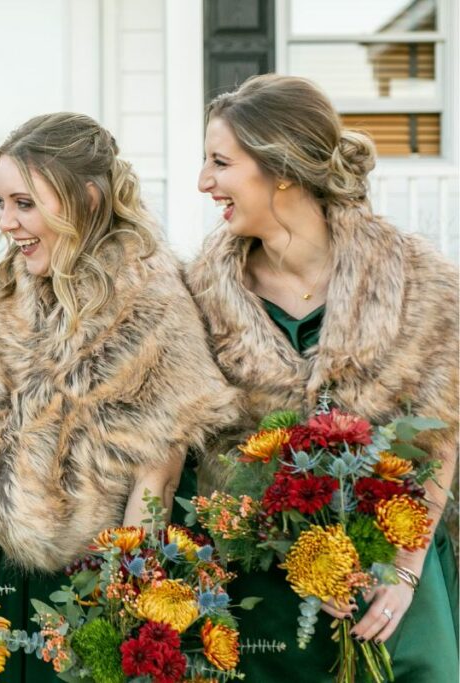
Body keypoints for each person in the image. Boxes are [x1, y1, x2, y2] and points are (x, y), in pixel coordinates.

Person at [187, 74, 459, 681]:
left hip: (394, 578)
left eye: (219, 162)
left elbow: (439, 439)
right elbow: (204, 455)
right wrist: (299, 555)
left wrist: (407, 573)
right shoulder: (199, 297)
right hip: (266, 596)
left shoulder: (419, 283)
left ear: (280, 167)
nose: (204, 182)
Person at [0, 112, 239, 681]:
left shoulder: (153, 307)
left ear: (87, 199)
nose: (6, 222)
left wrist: (123, 624)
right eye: (0, 202)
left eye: (24, 203)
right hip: (12, 588)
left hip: (99, 591)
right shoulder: (0, 307)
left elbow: (155, 481)